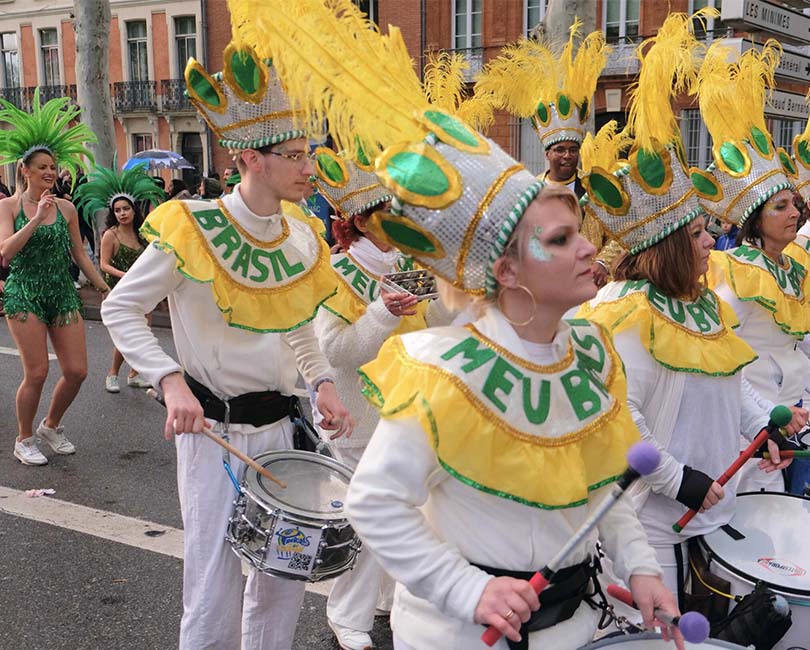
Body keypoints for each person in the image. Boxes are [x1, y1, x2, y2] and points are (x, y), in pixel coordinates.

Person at [236, 3, 685, 648]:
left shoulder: (592, 351)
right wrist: (466, 589)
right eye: (561, 240)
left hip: (576, 626)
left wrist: (641, 568)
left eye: (577, 233)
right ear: (507, 271)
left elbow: (602, 489)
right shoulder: (444, 369)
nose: (590, 248)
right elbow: (374, 503)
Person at [101, 41, 352, 650]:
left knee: (283, 574)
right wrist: (169, 380)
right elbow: (119, 307)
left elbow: (294, 319)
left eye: (309, 154)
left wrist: (321, 381)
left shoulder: (301, 235)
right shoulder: (194, 226)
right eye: (295, 156)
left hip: (281, 432)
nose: (309, 168)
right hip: (213, 432)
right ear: (250, 159)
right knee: (213, 580)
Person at [578, 14, 788, 601]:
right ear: (668, 246)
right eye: (698, 234)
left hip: (715, 506)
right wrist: (678, 480)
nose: (711, 242)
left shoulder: (704, 305)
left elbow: (731, 385)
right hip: (650, 523)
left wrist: (764, 425)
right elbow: (619, 418)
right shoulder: (621, 313)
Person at [311, 146, 453, 650]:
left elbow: (441, 325)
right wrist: (382, 314)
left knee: (410, 510)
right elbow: (335, 350)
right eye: (386, 212)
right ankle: (346, 613)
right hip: (359, 415)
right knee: (372, 518)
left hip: (411, 409)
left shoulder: (411, 265)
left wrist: (447, 289)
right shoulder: (336, 273)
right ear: (358, 221)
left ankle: (387, 599)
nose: (398, 220)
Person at [697, 40, 810, 494]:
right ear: (755, 220)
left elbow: (798, 348)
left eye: (794, 204)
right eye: (780, 207)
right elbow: (719, 355)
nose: (794, 213)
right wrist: (763, 418)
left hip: (792, 423)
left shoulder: (794, 270)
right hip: (751, 440)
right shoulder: (736, 273)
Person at [0, 89, 110, 466]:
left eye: (53, 166)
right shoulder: (9, 207)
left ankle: (50, 425)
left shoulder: (66, 208)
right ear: (25, 171)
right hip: (24, 293)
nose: (50, 172)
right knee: (37, 371)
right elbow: (5, 252)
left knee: (77, 371)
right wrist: (34, 219)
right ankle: (24, 438)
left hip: (61, 292)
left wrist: (104, 287)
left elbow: (79, 254)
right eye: (42, 167)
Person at [475, 26, 622, 288]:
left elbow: (621, 231)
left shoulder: (596, 187)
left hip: (593, 290)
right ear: (547, 153)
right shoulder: (531, 191)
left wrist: (602, 263)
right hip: (547, 288)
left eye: (573, 150)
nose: (567, 156)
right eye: (560, 150)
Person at [74, 163, 165, 393]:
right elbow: (103, 265)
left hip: (142, 291)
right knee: (126, 337)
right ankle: (112, 374)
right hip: (119, 291)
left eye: (126, 209)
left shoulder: (143, 233)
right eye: (117, 210)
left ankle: (133, 374)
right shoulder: (110, 235)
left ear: (134, 210)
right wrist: (127, 275)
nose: (122, 213)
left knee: (143, 335)